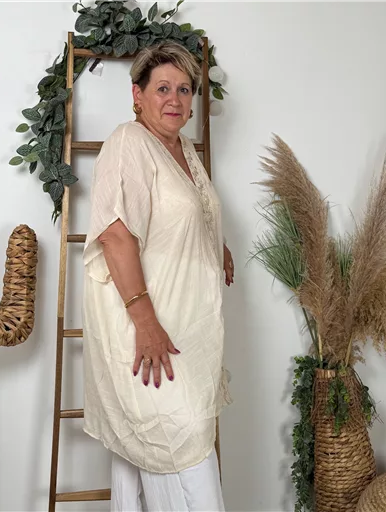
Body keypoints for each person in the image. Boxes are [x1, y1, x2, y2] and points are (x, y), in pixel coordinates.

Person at [81, 40, 234, 511]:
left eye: (184, 89)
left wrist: (215, 245)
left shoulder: (183, 148)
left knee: (151, 447)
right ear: (138, 95)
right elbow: (116, 235)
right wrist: (146, 324)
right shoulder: (129, 142)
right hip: (148, 329)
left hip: (187, 326)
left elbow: (180, 214)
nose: (175, 99)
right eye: (162, 88)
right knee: (180, 438)